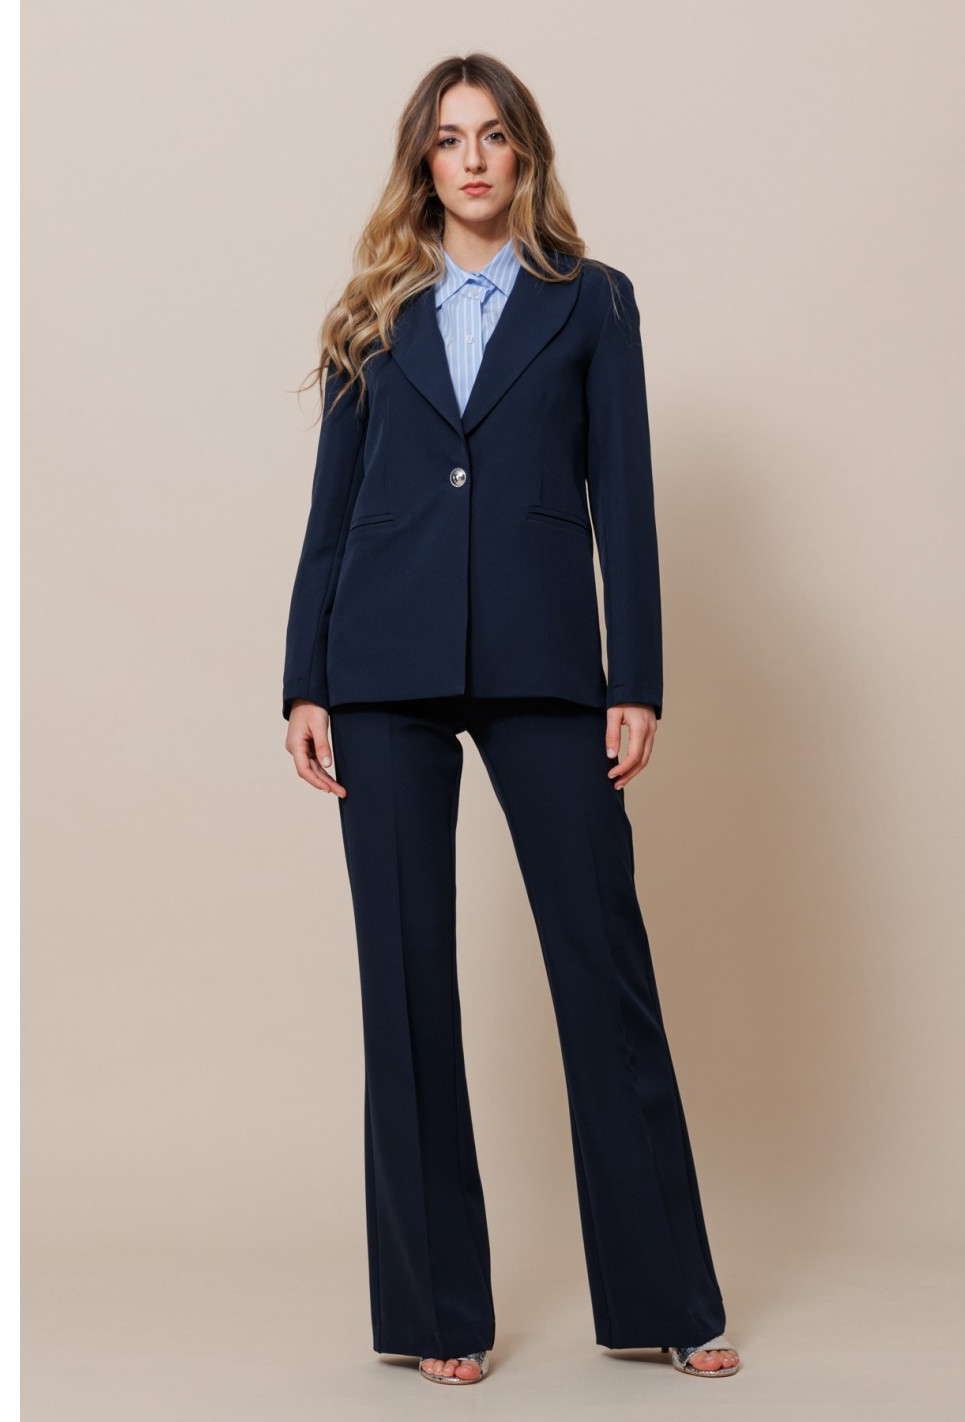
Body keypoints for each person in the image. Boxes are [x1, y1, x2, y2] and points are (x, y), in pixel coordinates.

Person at [282, 52, 740, 1387]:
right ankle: (440, 1315)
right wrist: (305, 678)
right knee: (406, 983)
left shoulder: (593, 301)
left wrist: (634, 675)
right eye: (448, 139)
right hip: (382, 665)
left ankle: (666, 1296)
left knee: (604, 966)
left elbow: (625, 499)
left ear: (524, 154)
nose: (472, 159)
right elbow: (330, 514)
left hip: (544, 664)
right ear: (422, 164)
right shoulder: (372, 310)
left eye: (492, 136)